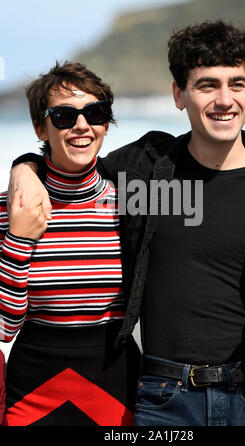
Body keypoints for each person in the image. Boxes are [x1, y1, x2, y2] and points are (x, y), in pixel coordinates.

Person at [8, 20, 245, 426]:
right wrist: (25, 168)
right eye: (206, 85)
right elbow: (72, 162)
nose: (224, 99)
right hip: (165, 400)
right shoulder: (143, 173)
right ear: (179, 95)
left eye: (237, 84)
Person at [0, 61, 140, 426]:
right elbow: (4, 326)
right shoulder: (8, 208)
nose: (81, 125)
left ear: (105, 123)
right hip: (32, 388)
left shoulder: (134, 204)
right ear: (40, 127)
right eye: (63, 115)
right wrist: (19, 237)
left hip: (117, 381)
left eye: (94, 113)